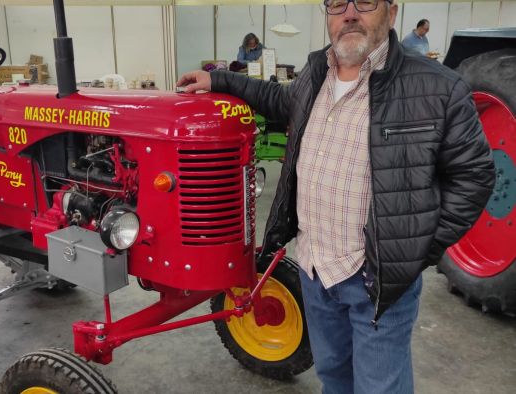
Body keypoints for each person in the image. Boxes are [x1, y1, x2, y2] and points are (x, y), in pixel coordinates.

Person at [178, 0, 495, 392]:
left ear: (392, 12)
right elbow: (280, 100)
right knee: (333, 378)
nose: (349, 13)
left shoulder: (437, 87)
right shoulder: (316, 70)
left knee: (380, 387)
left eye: (364, 1)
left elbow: (475, 176)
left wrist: (415, 249)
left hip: (378, 281)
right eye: (336, 3)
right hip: (314, 269)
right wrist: (221, 80)